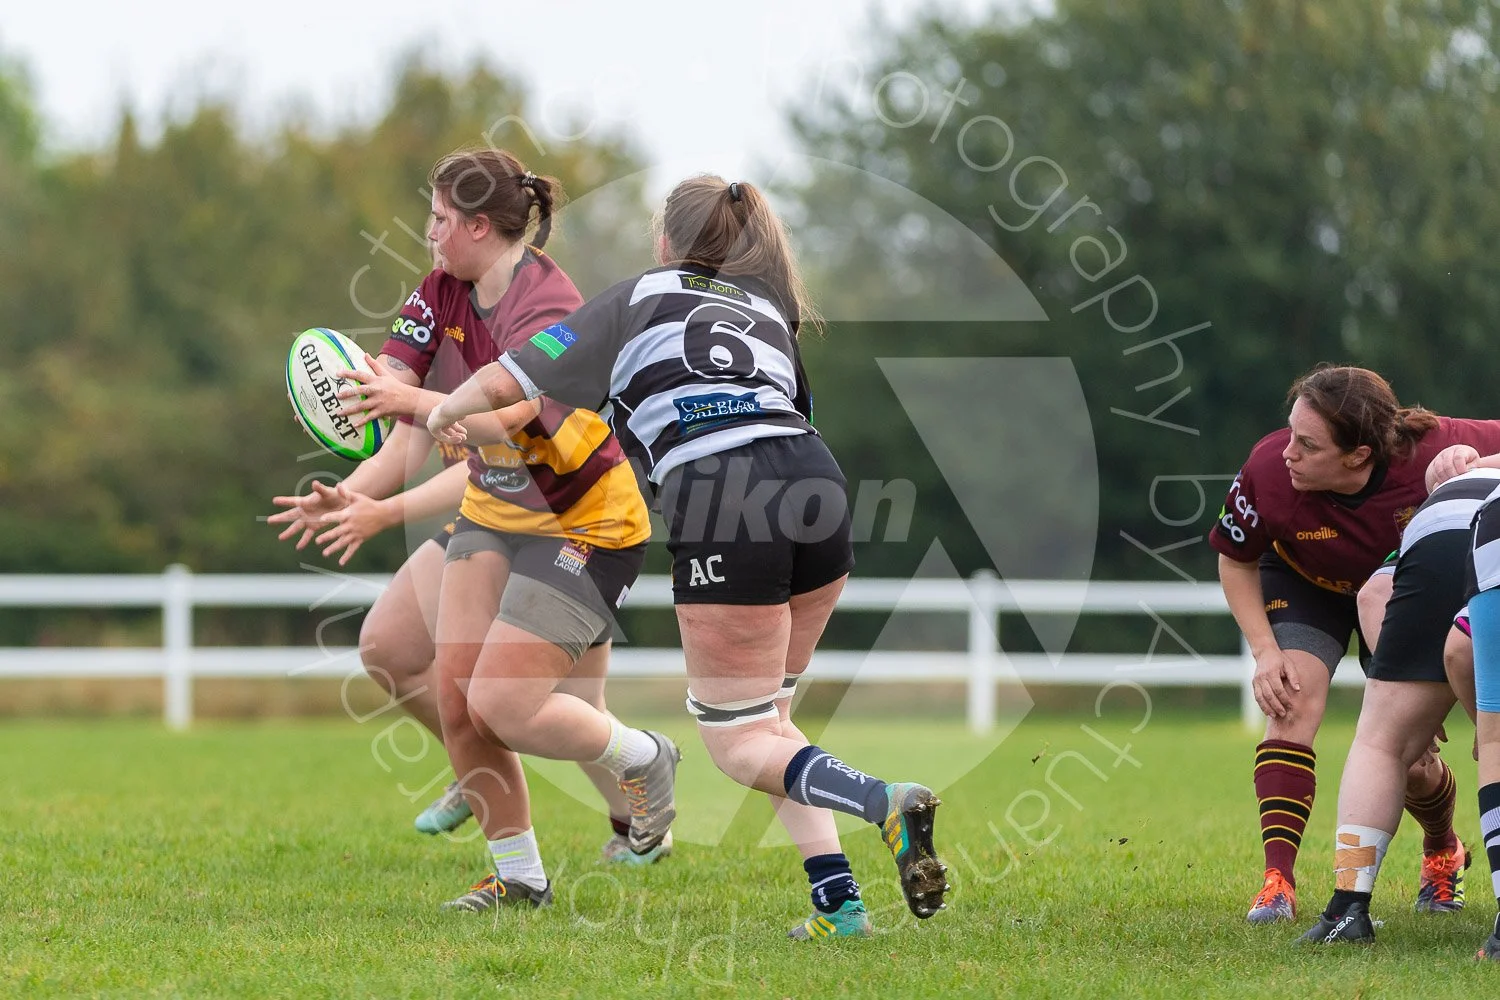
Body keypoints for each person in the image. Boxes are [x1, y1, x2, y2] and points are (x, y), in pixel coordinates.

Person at [426, 175, 950, 938]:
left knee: (739, 741)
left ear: (666, 241)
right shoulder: (768, 307)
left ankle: (883, 802)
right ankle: (840, 909)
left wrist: (445, 408)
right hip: (817, 482)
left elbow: (512, 375)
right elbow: (784, 412)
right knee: (771, 720)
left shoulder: (642, 294)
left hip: (724, 491)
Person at [277, 147, 671, 899]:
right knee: (457, 693)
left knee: (517, 707)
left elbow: (509, 421)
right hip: (494, 512)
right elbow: (395, 407)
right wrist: (351, 488)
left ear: (481, 227)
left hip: (578, 520)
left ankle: (644, 762)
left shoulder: (547, 304)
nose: (427, 233)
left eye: (439, 219)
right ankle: (519, 878)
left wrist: (411, 412)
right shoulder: (440, 290)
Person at [1211, 364, 1500, 924]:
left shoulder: (1440, 446)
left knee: (1412, 759)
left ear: (1359, 455)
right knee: (1289, 700)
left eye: (1307, 443)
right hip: (1305, 586)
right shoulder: (1268, 469)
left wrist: (1479, 463)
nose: (1286, 451)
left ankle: (1442, 848)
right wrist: (1266, 652)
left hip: (1399, 590)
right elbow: (1234, 559)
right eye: (1290, 432)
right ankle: (1278, 884)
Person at [1298, 453, 1500, 943]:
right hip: (1487, 523)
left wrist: (1396, 682)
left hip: (1441, 526)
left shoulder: (1447, 485)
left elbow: (1372, 596)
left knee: (1380, 744)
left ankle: (1346, 911)